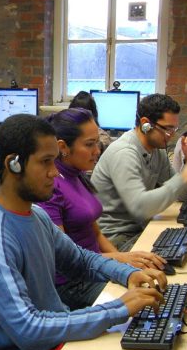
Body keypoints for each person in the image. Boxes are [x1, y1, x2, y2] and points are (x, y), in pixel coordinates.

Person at [0, 113, 166, 350]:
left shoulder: (36, 216)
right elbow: (28, 330)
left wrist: (127, 273)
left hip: (58, 344)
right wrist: (118, 309)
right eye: (46, 162)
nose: (55, 172)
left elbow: (81, 260)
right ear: (13, 164)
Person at [38, 108, 166, 310]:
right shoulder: (51, 187)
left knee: (153, 286)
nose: (97, 150)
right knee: (147, 302)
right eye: (89, 144)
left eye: (97, 142)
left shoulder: (77, 174)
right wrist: (120, 261)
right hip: (72, 283)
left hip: (95, 267)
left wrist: (122, 264)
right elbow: (65, 259)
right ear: (63, 147)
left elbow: (95, 233)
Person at [91, 93, 187, 251]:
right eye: (167, 129)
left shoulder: (157, 151)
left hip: (139, 229)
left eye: (174, 129)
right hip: (115, 238)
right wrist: (183, 177)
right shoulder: (124, 153)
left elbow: (182, 196)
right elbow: (140, 208)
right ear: (145, 124)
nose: (171, 135)